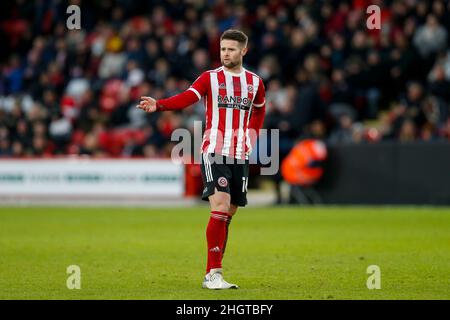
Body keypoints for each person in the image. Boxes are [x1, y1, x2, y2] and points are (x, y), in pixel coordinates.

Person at [137, 29, 266, 290]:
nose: (225, 53)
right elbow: (187, 97)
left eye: (231, 49)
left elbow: (260, 111)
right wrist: (159, 104)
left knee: (229, 212)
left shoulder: (255, 82)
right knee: (220, 204)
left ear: (244, 51)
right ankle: (213, 274)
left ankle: (214, 270)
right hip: (214, 150)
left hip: (239, 154)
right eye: (222, 49)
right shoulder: (210, 78)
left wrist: (251, 137)